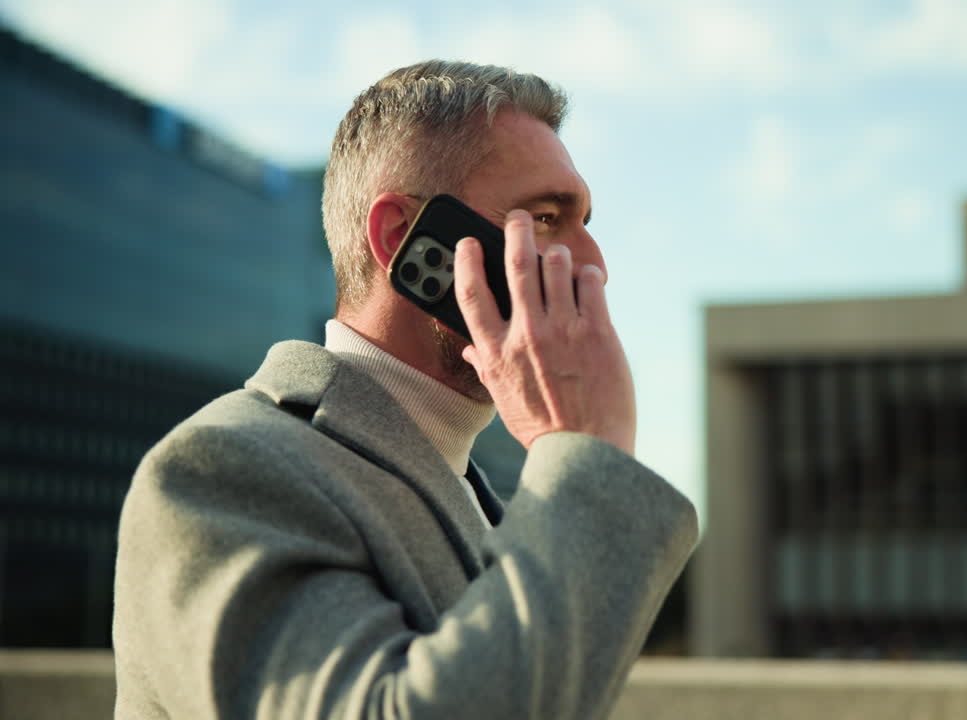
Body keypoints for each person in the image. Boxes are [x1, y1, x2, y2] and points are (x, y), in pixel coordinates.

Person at [113, 61, 698, 719]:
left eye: (586, 221)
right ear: (402, 238)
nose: (592, 263)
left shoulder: (499, 509)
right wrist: (586, 452)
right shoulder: (222, 470)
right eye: (544, 217)